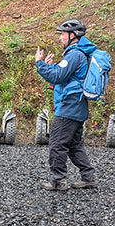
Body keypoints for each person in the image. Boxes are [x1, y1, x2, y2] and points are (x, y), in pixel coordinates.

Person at [35, 19, 97, 191]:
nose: (60, 38)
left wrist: (39, 64)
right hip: (77, 106)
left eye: (62, 34)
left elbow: (57, 77)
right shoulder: (78, 54)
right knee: (74, 145)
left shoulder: (74, 55)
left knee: (57, 143)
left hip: (69, 107)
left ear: (72, 36)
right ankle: (88, 177)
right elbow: (63, 75)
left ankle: (58, 180)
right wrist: (49, 66)